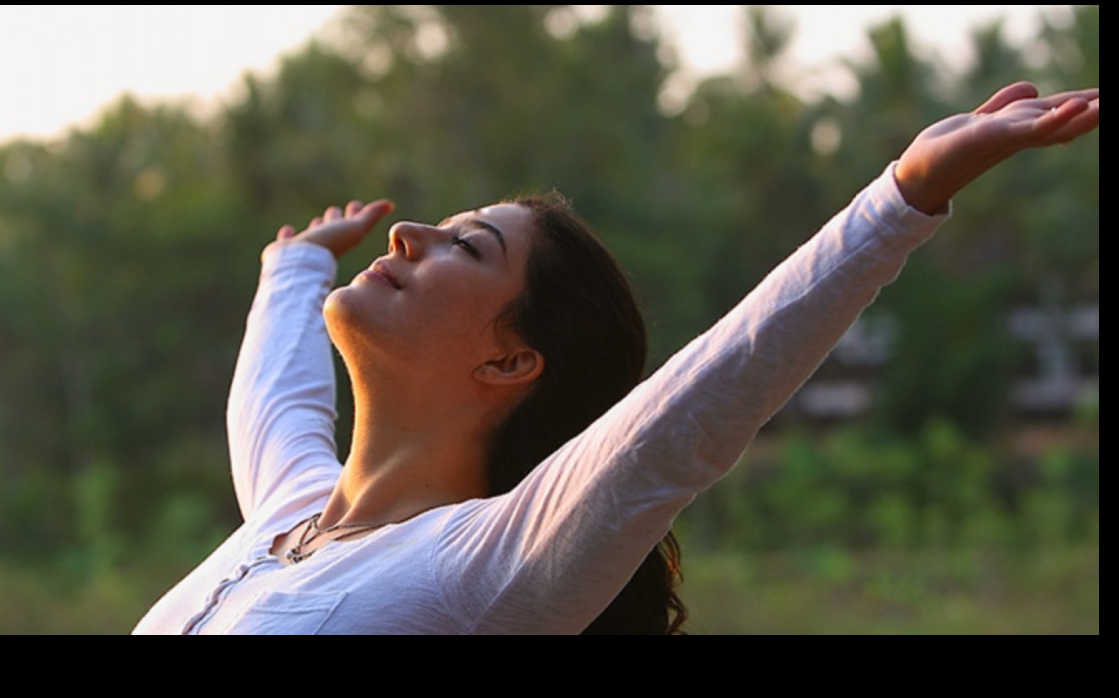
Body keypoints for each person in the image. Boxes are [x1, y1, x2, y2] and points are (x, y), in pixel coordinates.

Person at [133, 82, 1098, 634]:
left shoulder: (479, 570)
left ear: (514, 362)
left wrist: (901, 199)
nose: (409, 234)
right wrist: (293, 267)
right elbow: (272, 398)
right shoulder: (290, 513)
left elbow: (689, 414)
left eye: (468, 247)